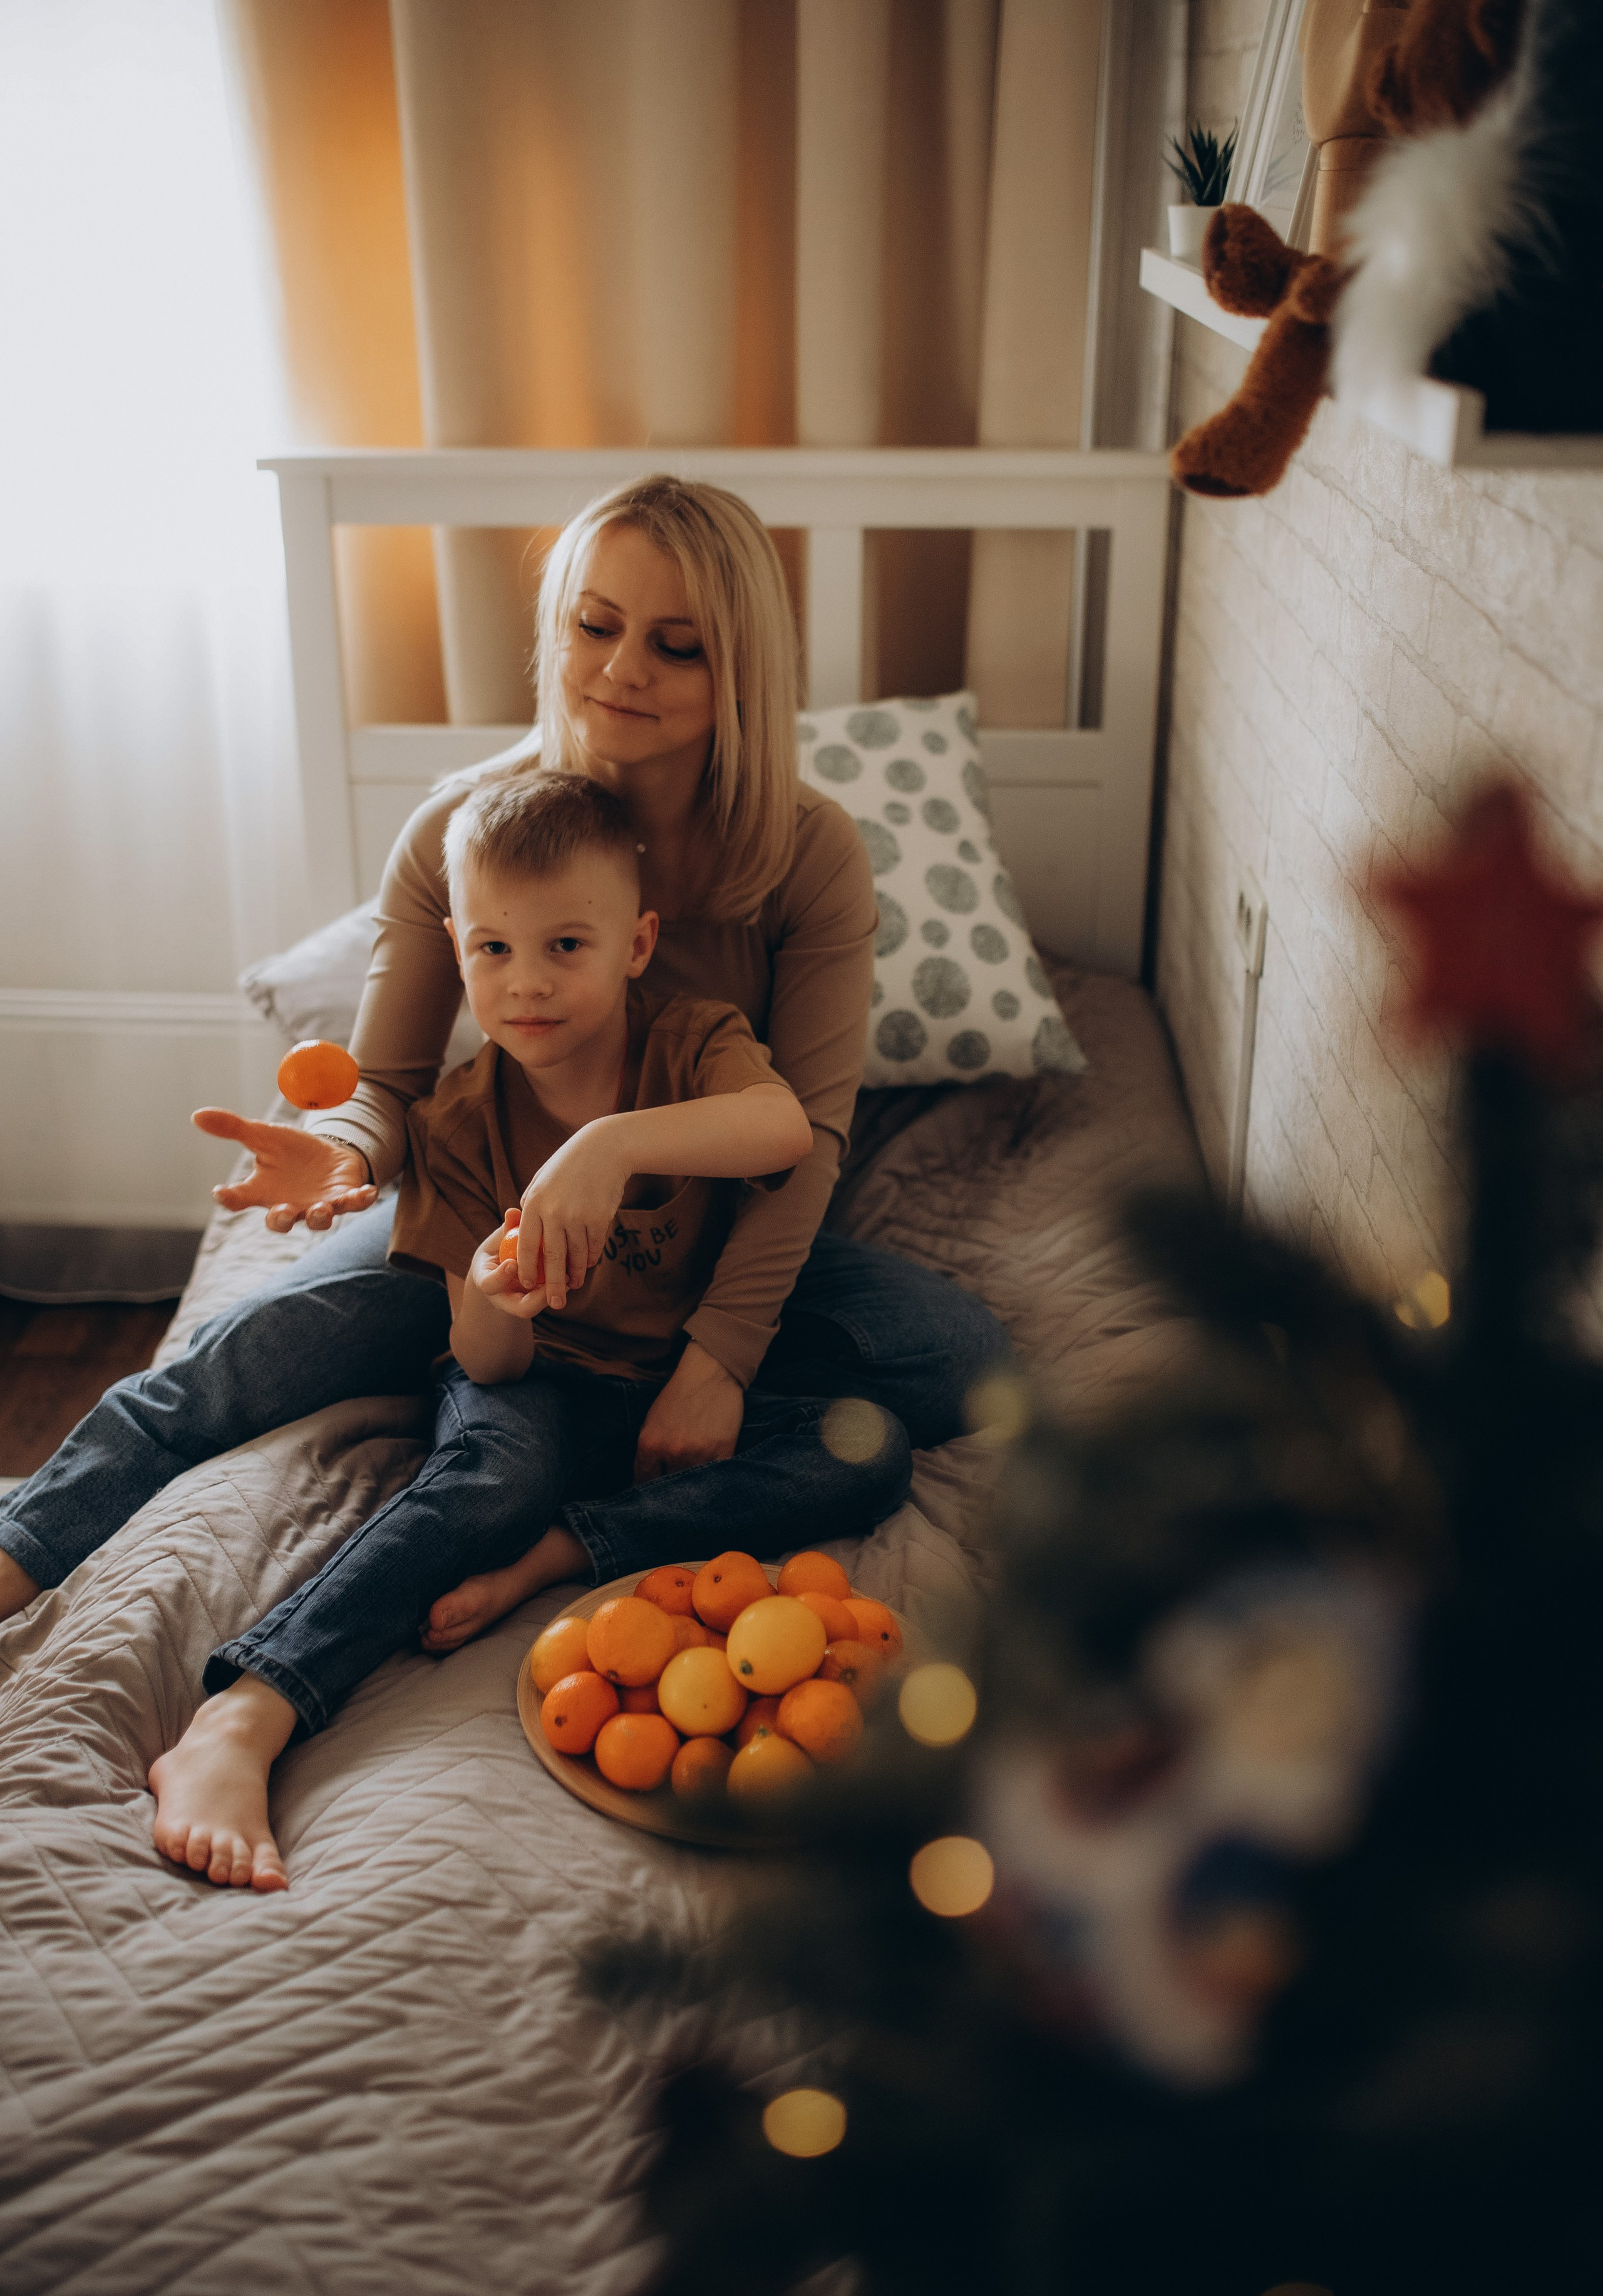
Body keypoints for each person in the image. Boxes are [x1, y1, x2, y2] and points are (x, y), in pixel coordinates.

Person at [0, 473, 1006, 1659]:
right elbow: (392, 1085)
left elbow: (808, 1135)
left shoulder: (806, 853)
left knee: (958, 1362)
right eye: (596, 625)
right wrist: (347, 1153)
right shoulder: (457, 833)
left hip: (718, 1227)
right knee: (251, 1357)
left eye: (677, 646)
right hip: (497, 1223)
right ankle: (21, 1551)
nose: (624, 668)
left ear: (740, 668)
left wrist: (719, 1357)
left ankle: (580, 1491)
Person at [147, 767, 906, 1891]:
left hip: (668, 1385)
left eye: (567, 946)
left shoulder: (696, 1042)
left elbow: (783, 1127)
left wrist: (611, 1145)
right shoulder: (454, 1124)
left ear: (639, 943)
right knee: (494, 1469)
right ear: (456, 952)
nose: (528, 983)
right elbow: (483, 1363)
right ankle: (250, 1713)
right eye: (494, 950)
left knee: (872, 1444)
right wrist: (500, 1306)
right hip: (536, 1388)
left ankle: (563, 1552)